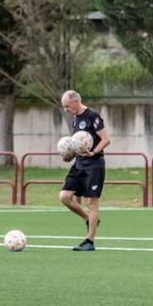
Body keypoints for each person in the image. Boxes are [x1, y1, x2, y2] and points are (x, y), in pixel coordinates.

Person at [60, 90, 110, 251]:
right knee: (65, 197)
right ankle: (88, 219)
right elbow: (78, 144)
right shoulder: (76, 120)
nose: (66, 109)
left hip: (94, 164)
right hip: (79, 164)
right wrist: (70, 154)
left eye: (67, 106)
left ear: (75, 101)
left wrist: (94, 152)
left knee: (91, 202)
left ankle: (89, 241)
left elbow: (106, 139)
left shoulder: (92, 116)